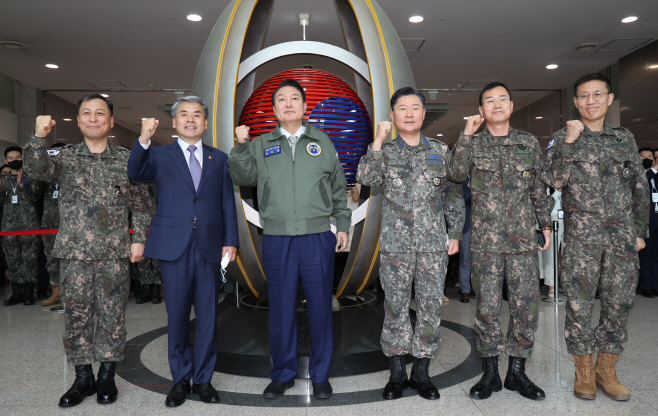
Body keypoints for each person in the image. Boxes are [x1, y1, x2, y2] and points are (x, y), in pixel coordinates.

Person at [23, 94, 152, 407]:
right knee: (77, 317)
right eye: (86, 113)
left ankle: (107, 374)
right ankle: (83, 377)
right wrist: (39, 137)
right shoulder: (64, 158)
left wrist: (140, 238)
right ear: (79, 121)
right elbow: (36, 168)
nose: (93, 118)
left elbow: (143, 205)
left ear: (109, 121)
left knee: (113, 316)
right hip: (75, 253)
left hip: (114, 254)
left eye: (100, 113)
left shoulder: (127, 158)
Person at [229, 79, 351, 400]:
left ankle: (321, 375)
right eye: (281, 99)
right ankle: (283, 373)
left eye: (294, 98)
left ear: (304, 106)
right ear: (273, 109)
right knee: (281, 309)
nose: (288, 104)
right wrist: (240, 147)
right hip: (278, 238)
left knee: (321, 308)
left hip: (316, 238)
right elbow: (241, 177)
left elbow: (339, 190)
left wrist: (343, 225)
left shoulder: (323, 142)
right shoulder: (260, 144)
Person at [542, 73, 650, 401]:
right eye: (584, 96)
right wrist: (570, 143)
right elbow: (552, 179)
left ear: (609, 98)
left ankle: (607, 370)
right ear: (575, 102)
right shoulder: (563, 137)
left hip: (621, 237)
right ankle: (584, 372)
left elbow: (638, 186)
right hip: (582, 239)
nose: (591, 101)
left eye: (597, 95)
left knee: (618, 303)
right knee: (579, 306)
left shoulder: (624, 138)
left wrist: (641, 231)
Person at [128, 96, 239, 407]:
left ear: (205, 122)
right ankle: (180, 379)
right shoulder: (160, 155)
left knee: (207, 317)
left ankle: (203, 380)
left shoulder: (219, 158)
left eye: (198, 115)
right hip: (173, 246)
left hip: (210, 246)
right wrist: (143, 140)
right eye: (184, 115)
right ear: (174, 122)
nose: (191, 119)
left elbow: (226, 203)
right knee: (176, 317)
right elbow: (136, 173)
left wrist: (231, 240)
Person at [447, 82, 552, 401]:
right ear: (480, 110)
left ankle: (517, 373)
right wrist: (466, 133)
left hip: (521, 241)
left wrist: (545, 224)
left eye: (502, 99)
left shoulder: (528, 142)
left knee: (525, 308)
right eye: (488, 101)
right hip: (485, 243)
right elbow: (454, 173)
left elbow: (538, 188)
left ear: (511, 105)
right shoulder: (472, 143)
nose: (496, 104)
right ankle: (490, 374)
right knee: (488, 309)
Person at [356, 87, 464, 400]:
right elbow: (366, 176)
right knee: (395, 307)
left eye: (414, 108)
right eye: (402, 108)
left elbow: (452, 195)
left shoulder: (441, 152)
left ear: (423, 113)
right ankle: (395, 372)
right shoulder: (384, 152)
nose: (409, 114)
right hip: (396, 246)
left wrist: (454, 234)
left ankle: (421, 372)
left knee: (430, 308)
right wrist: (377, 141)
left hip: (432, 245)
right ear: (392, 115)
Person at [1, 146, 43, 306]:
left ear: (23, 158)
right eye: (10, 158)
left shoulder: (32, 178)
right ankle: (16, 293)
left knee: (29, 260)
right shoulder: (3, 180)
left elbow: (35, 196)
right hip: (8, 228)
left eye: (17, 157)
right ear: (6, 161)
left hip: (29, 225)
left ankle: (28, 293)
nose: (14, 160)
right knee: (13, 261)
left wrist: (22, 184)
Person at [41, 143, 65, 306]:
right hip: (49, 223)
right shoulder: (46, 177)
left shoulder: (72, 174)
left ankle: (73, 293)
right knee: (51, 259)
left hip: (70, 225)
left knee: (71, 261)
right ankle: (56, 291)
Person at [133, 183, 162, 305]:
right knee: (142, 259)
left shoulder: (159, 183)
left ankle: (156, 287)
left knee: (157, 259)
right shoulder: (136, 183)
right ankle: (146, 287)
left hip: (158, 223)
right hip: (140, 225)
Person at [637, 147, 658, 298]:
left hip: (657, 216)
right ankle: (645, 285)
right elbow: (642, 183)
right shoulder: (638, 174)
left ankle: (655, 283)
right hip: (645, 218)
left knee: (656, 253)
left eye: (650, 156)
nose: (648, 159)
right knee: (645, 253)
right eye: (643, 156)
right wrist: (654, 169)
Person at [459, 178, 472, 303]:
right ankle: (464, 291)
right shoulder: (461, 178)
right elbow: (461, 197)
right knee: (465, 258)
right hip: (466, 224)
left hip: (485, 226)